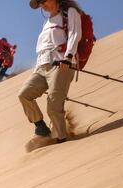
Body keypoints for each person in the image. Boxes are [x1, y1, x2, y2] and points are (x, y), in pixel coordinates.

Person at [18, 0, 83, 144]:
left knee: (53, 104)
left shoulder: (69, 12)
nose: (42, 5)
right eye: (39, 3)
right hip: (41, 66)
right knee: (24, 94)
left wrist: (68, 57)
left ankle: (61, 139)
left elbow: (75, 34)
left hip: (61, 64)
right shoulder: (46, 22)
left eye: (43, 1)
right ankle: (41, 128)